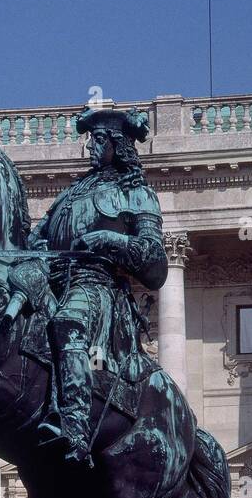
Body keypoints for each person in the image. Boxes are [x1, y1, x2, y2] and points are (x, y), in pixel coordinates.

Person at [27, 106, 168, 467]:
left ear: (117, 145)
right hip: (55, 281)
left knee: (67, 323)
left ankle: (73, 425)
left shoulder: (136, 194)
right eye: (90, 140)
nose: (91, 146)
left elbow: (155, 263)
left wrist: (110, 240)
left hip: (97, 288)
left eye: (99, 140)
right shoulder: (70, 195)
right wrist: (36, 248)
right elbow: (36, 237)